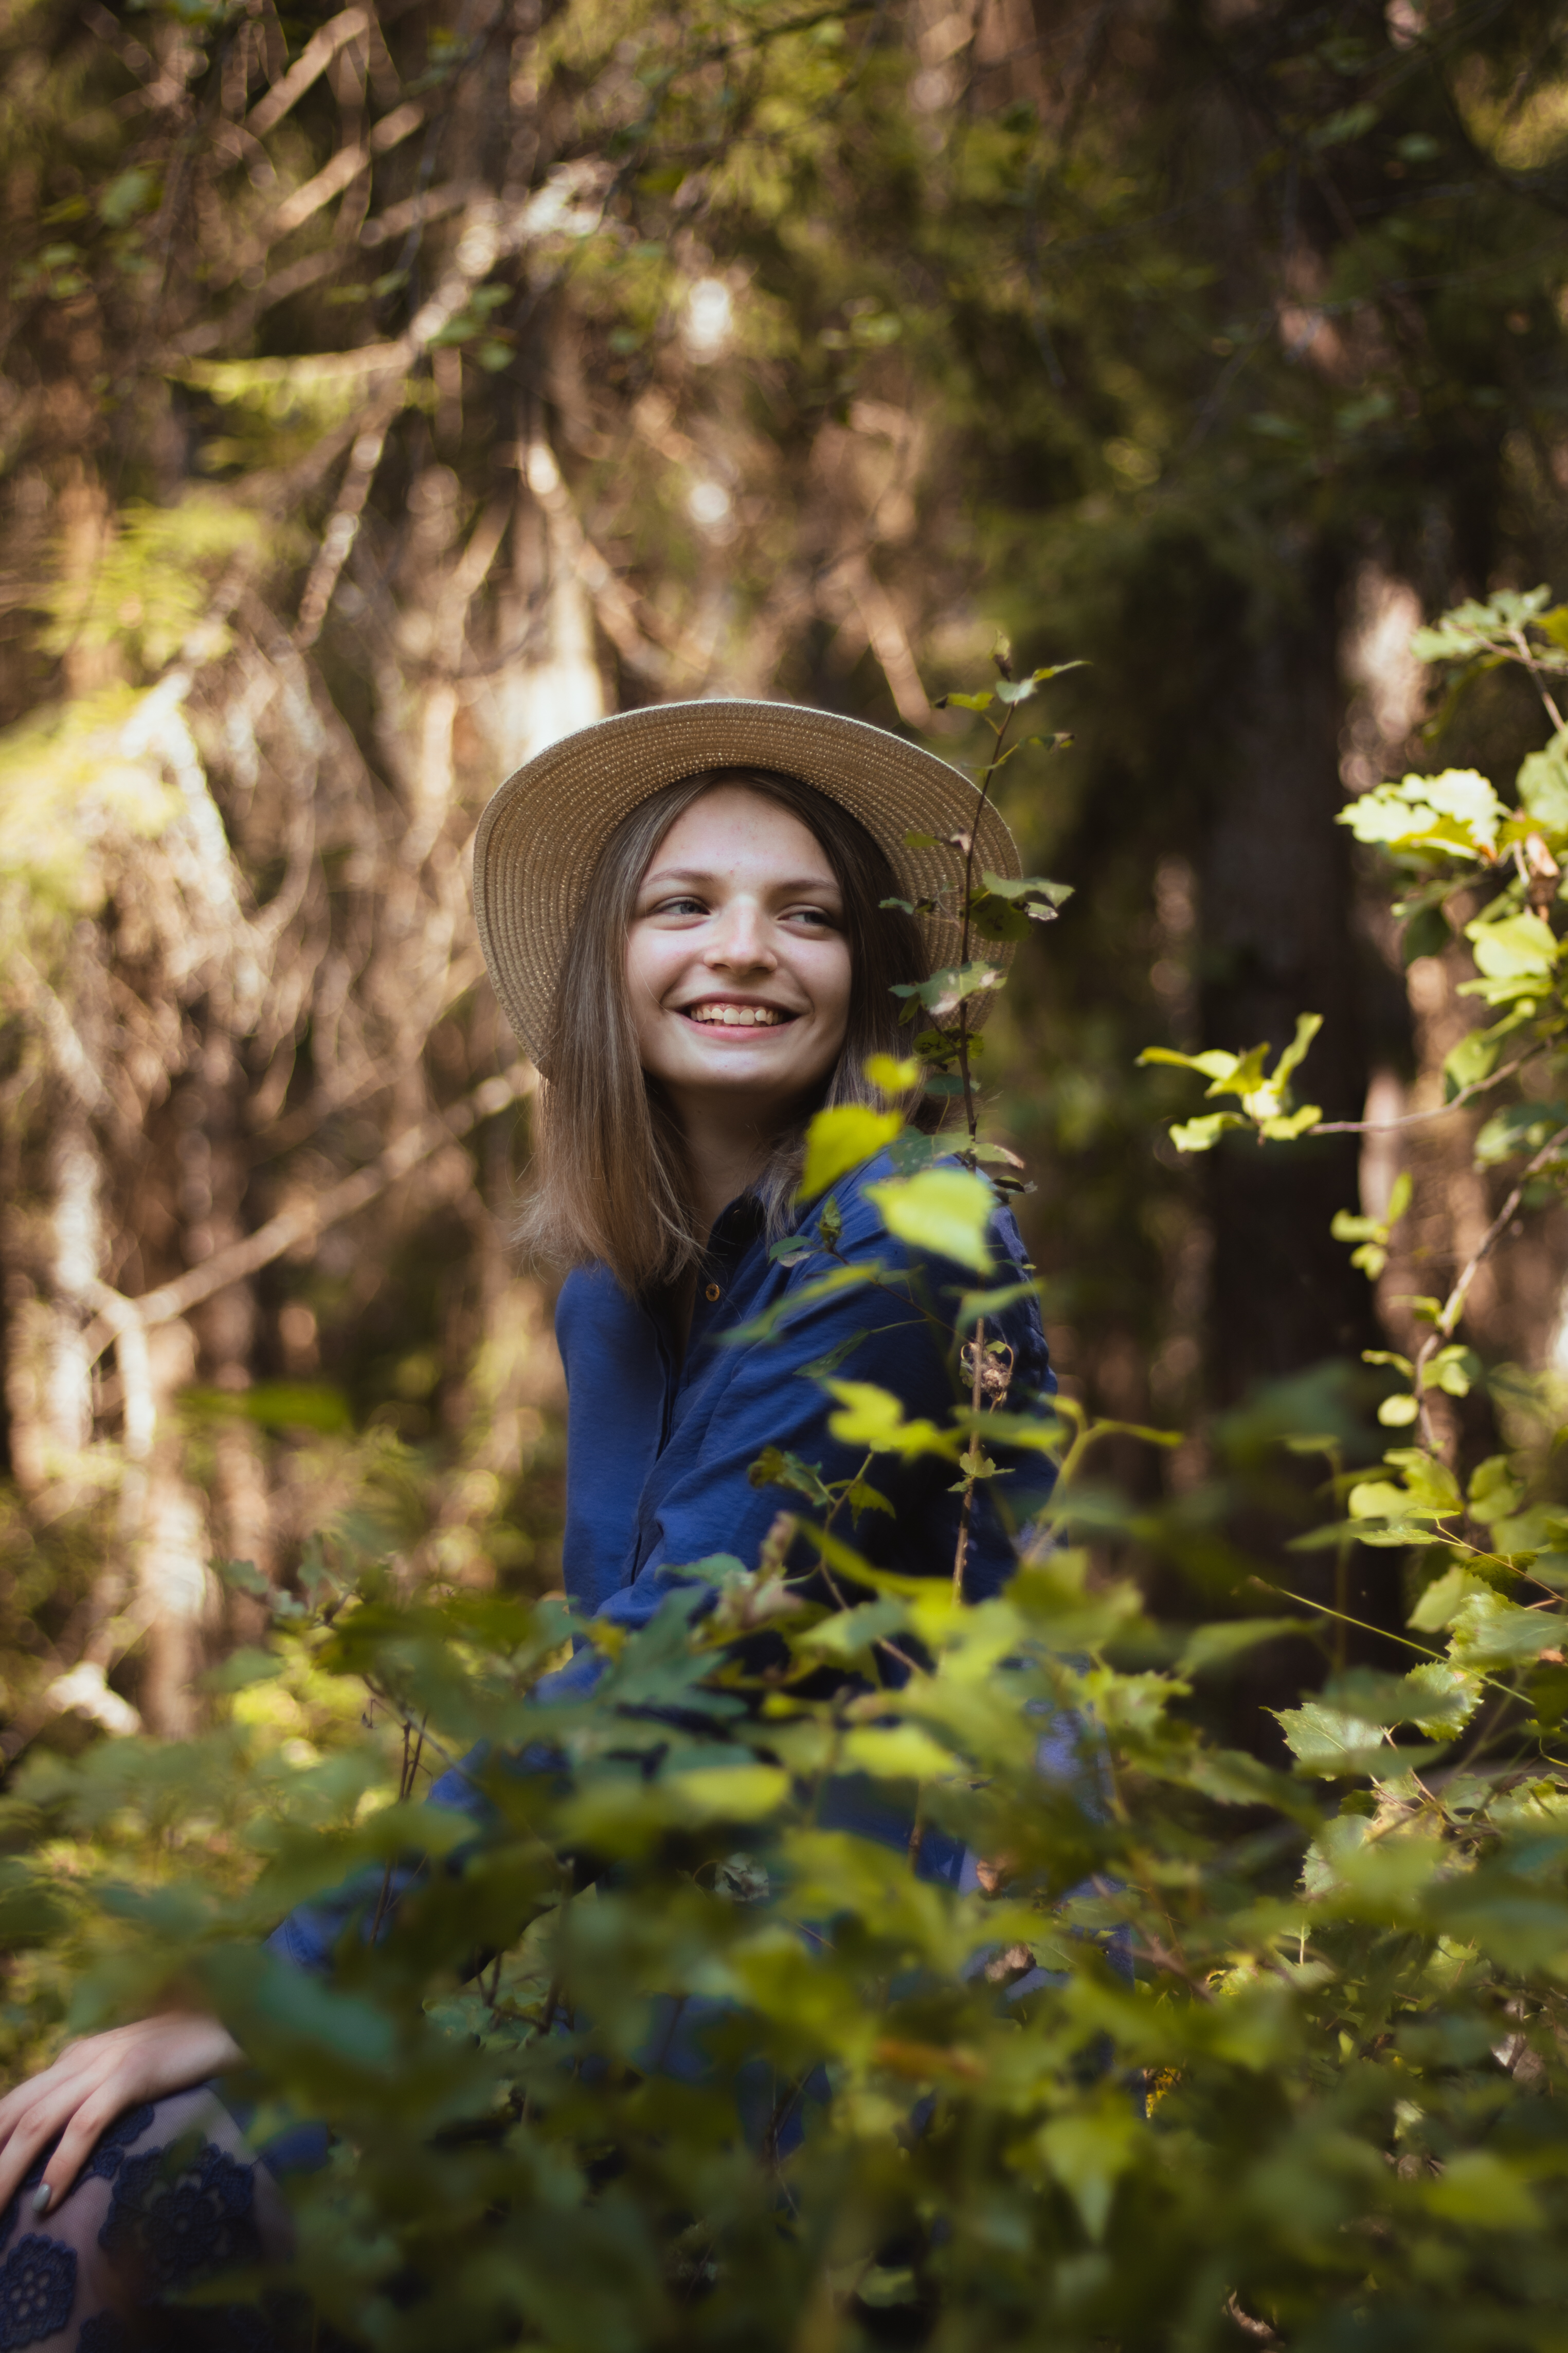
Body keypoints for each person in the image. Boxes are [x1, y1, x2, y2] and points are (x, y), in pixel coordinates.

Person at [0, 700, 1056, 2346]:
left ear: (874, 973)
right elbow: (600, 1715)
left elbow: (669, 1667)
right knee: (87, 2202)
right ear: (606, 959)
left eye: (809, 914)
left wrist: (271, 1988)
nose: (747, 951)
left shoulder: (912, 1235)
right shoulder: (613, 1303)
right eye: (683, 904)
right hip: (655, 1999)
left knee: (116, 2207)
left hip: (889, 2006)